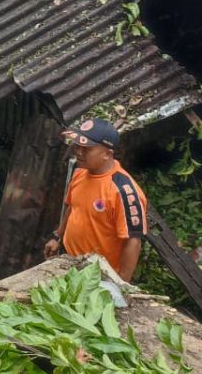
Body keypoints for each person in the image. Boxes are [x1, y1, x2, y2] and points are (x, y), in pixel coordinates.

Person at [43, 117, 147, 282]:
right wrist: (57, 236)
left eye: (87, 148)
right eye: (78, 145)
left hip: (98, 276)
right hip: (69, 261)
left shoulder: (124, 192)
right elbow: (73, 207)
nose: (78, 151)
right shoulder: (80, 173)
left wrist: (120, 285)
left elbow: (133, 241)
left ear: (107, 154)